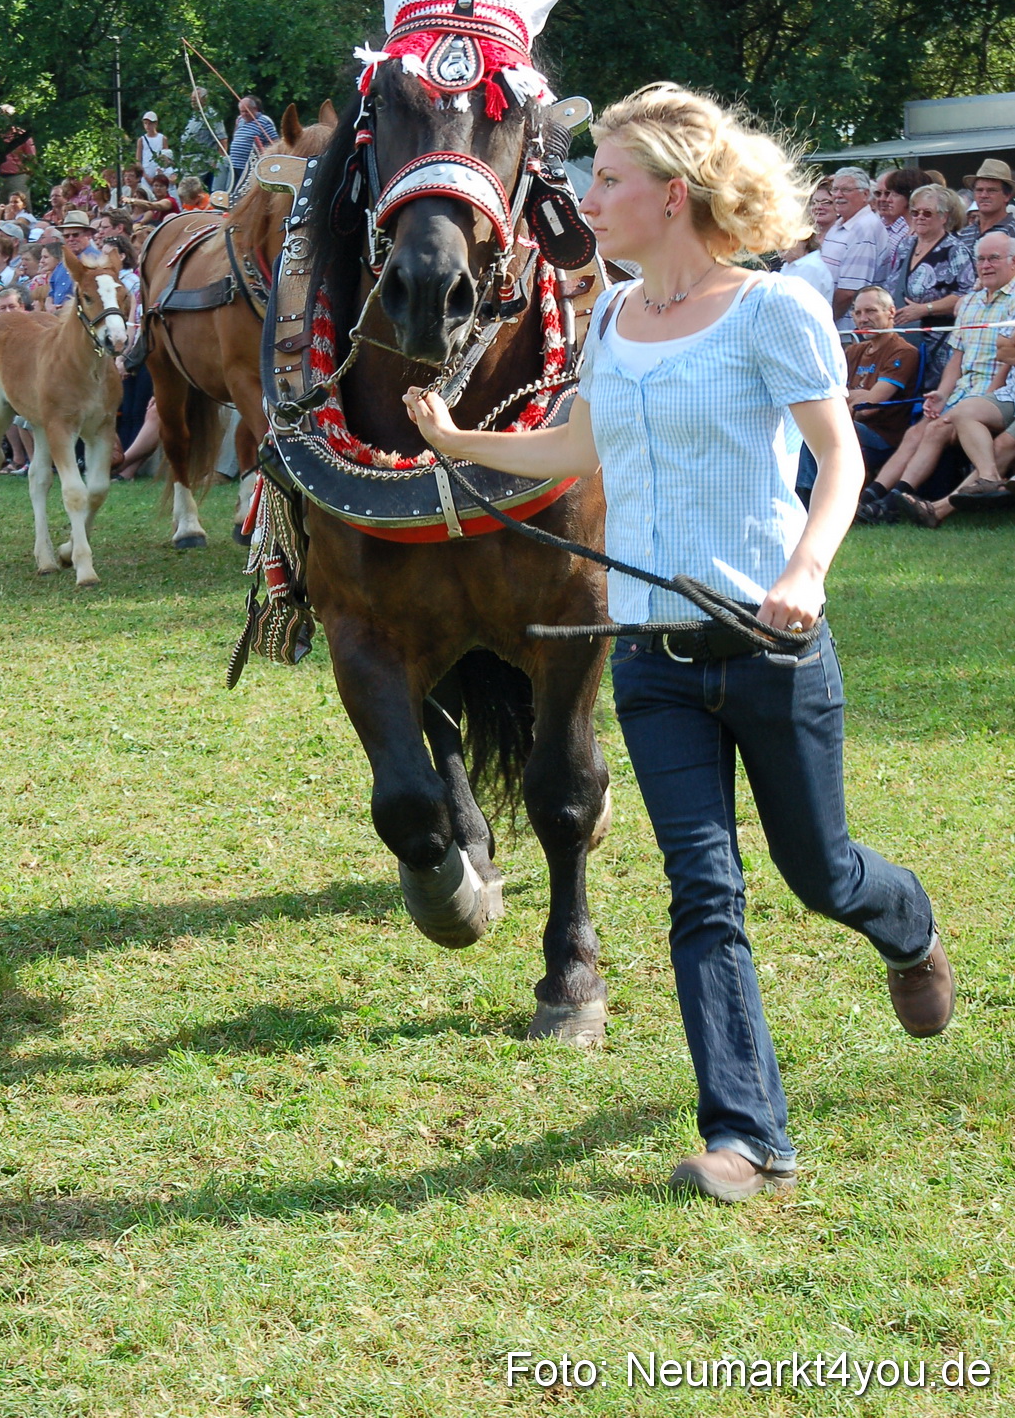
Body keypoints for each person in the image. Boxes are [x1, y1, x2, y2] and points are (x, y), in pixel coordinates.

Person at [405, 80, 953, 1204]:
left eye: (605, 179)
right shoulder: (610, 314)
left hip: (769, 646)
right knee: (702, 894)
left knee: (821, 874)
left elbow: (840, 462)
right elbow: (582, 450)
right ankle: (746, 1139)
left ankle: (906, 929)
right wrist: (458, 439)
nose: (584, 196)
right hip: (651, 662)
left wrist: (805, 571)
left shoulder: (773, 311)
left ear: (673, 194)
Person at [858, 231, 1015, 518]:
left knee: (934, 429)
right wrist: (942, 394)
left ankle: (890, 504)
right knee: (917, 431)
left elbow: (1008, 359)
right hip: (964, 391)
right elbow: (956, 358)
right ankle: (873, 498)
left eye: (994, 258)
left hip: (993, 394)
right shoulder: (968, 303)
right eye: (981, 259)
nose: (986, 265)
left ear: (1013, 262)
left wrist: (988, 398)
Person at [885, 183, 975, 385]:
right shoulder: (906, 244)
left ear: (944, 217)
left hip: (937, 346)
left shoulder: (955, 250)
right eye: (915, 212)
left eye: (927, 213)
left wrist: (924, 309)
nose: (919, 218)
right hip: (901, 340)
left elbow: (968, 297)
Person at [843, 285, 921, 471]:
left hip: (882, 436)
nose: (863, 319)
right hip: (852, 425)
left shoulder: (903, 352)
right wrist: (859, 395)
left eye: (871, 311)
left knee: (826, 429)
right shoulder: (853, 351)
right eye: (858, 312)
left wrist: (851, 398)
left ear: (891, 312)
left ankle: (808, 493)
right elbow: (830, 395)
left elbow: (869, 408)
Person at [820, 167, 890, 328]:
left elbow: (849, 291)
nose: (838, 195)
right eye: (835, 189)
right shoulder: (841, 224)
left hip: (848, 330)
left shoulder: (864, 229)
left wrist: (825, 322)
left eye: (846, 190)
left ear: (865, 195)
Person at [957, 157, 1015, 252]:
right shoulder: (965, 233)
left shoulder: (1013, 231)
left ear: (1007, 196)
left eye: (992, 190)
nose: (984, 195)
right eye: (979, 190)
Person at [178, 85, 229, 186]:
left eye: (195, 99)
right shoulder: (195, 115)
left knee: (189, 191)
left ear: (204, 99)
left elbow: (222, 139)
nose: (192, 101)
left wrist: (218, 162)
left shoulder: (211, 115)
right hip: (189, 164)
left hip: (202, 165)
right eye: (191, 99)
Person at [228, 95, 278, 180]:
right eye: (241, 112)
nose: (244, 114)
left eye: (246, 111)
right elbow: (235, 138)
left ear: (255, 109)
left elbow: (275, 142)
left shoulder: (264, 122)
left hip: (249, 167)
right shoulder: (240, 120)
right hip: (234, 165)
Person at [136, 111, 173, 189]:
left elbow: (167, 158)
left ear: (155, 124)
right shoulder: (141, 140)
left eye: (150, 123)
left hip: (159, 172)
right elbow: (138, 161)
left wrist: (161, 173)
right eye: (145, 123)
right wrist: (145, 176)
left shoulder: (162, 138)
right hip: (146, 172)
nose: (147, 126)